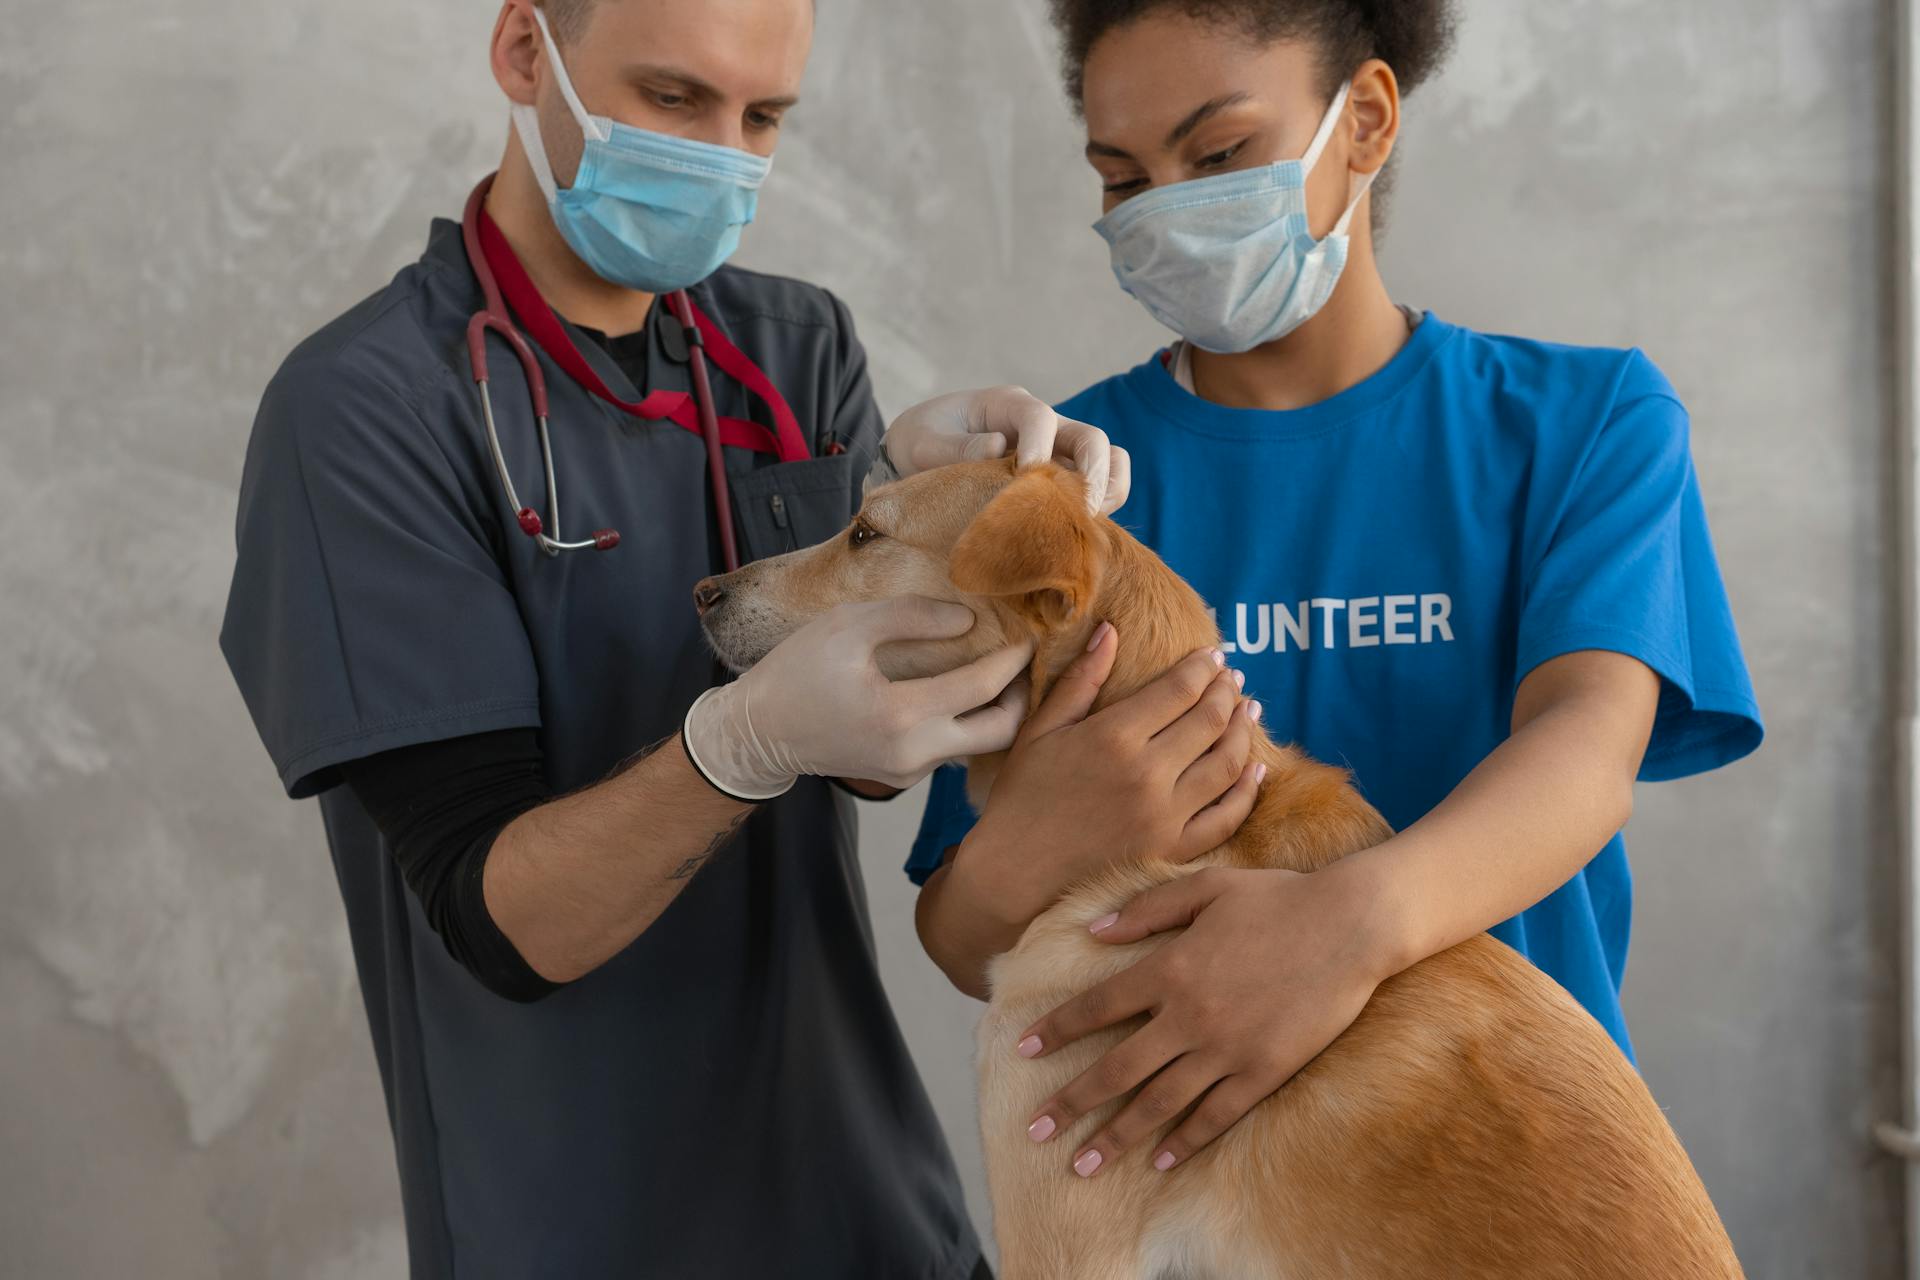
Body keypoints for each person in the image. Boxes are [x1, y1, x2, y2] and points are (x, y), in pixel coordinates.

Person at [217, 0, 1259, 1275]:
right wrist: (740, 742)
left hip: (867, 1204)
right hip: (577, 1218)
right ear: (524, 53)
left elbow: (873, 752)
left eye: (762, 117)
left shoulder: (792, 347)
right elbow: (506, 923)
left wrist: (936, 518)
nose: (723, 153)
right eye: (673, 98)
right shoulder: (368, 412)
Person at [910, 0, 1764, 1186]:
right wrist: (1024, 849)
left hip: (1509, 1172)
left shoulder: (1586, 424)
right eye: (1122, 177)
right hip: (1192, 1207)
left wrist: (1342, 930)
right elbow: (959, 931)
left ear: (1363, 120)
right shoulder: (1062, 493)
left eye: (1216, 158)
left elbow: (1586, 749)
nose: (1163, 209)